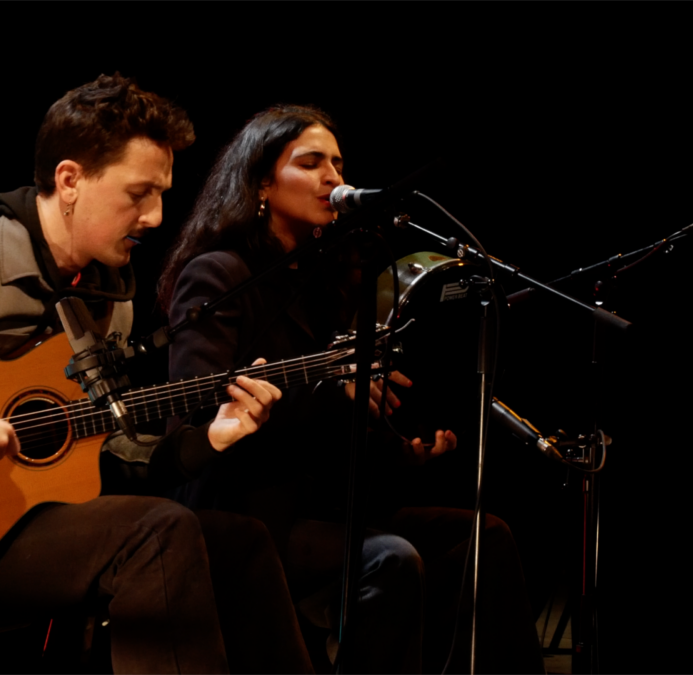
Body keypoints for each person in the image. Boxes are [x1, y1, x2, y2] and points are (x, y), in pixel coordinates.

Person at [157, 104, 545, 675]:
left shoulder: (329, 283)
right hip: (248, 513)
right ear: (262, 181)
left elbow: (337, 419)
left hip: (325, 507)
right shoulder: (219, 273)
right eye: (311, 163)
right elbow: (194, 409)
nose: (333, 178)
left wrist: (401, 450)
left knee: (483, 539)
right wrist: (333, 395)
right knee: (391, 559)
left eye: (338, 164)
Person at [0, 74, 312, 674]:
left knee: (238, 540)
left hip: (35, 521)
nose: (157, 216)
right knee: (156, 530)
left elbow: (108, 444)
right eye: (138, 194)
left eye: (162, 194)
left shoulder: (112, 295)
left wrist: (208, 440)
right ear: (69, 181)